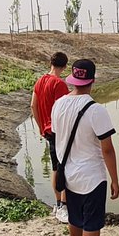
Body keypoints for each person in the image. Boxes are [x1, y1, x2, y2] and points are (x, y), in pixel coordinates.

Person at [51, 59, 119, 236]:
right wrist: (115, 180)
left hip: (68, 173)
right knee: (92, 222)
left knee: (75, 216)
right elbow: (107, 149)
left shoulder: (58, 104)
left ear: (73, 79)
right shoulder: (96, 110)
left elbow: (57, 135)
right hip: (92, 176)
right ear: (92, 80)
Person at [31, 52, 71, 223]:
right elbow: (63, 111)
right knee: (64, 168)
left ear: (51, 63)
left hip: (48, 131)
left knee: (56, 167)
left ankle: (58, 203)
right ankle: (63, 205)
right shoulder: (59, 84)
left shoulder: (40, 81)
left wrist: (41, 127)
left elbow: (33, 106)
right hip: (59, 131)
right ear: (65, 66)